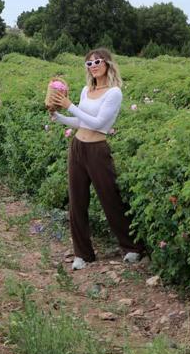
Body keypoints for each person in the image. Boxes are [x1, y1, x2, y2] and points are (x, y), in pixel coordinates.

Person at [49, 48, 144, 270]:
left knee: (110, 198)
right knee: (77, 201)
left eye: (97, 62)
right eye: (88, 63)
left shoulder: (114, 93)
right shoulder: (85, 90)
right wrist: (59, 117)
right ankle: (83, 253)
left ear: (108, 64)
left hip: (97, 150)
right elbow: (81, 122)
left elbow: (99, 123)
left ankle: (132, 247)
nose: (93, 66)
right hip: (78, 148)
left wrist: (69, 106)